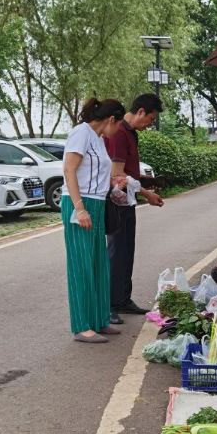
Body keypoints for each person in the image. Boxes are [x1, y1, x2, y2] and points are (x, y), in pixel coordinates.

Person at [61, 97, 127, 344]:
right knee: (81, 265)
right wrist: (79, 209)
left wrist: (112, 183)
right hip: (80, 204)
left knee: (99, 264)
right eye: (119, 124)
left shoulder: (99, 139)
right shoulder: (81, 133)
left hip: (97, 203)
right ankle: (81, 325)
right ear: (112, 119)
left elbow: (93, 172)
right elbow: (69, 170)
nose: (118, 130)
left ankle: (99, 319)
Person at [106, 93, 165, 321]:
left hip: (128, 199)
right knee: (117, 251)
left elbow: (128, 172)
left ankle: (122, 299)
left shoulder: (130, 133)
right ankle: (110, 304)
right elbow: (117, 175)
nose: (149, 125)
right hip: (117, 200)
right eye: (150, 120)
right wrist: (146, 193)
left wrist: (146, 182)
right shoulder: (119, 133)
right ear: (140, 111)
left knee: (126, 250)